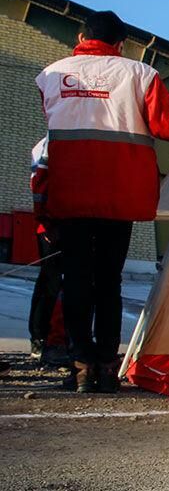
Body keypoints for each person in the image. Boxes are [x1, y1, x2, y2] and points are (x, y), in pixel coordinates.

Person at [35, 10, 169, 393]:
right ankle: (107, 368)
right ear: (121, 44)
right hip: (119, 196)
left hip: (70, 194)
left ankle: (79, 367)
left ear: (80, 36)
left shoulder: (51, 75)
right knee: (108, 281)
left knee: (75, 281)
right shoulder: (140, 74)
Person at [27, 138, 70, 368]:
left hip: (59, 220)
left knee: (53, 280)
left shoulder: (50, 141)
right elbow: (40, 181)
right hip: (54, 223)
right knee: (52, 281)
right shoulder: (52, 141)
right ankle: (46, 339)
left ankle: (48, 338)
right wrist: (44, 220)